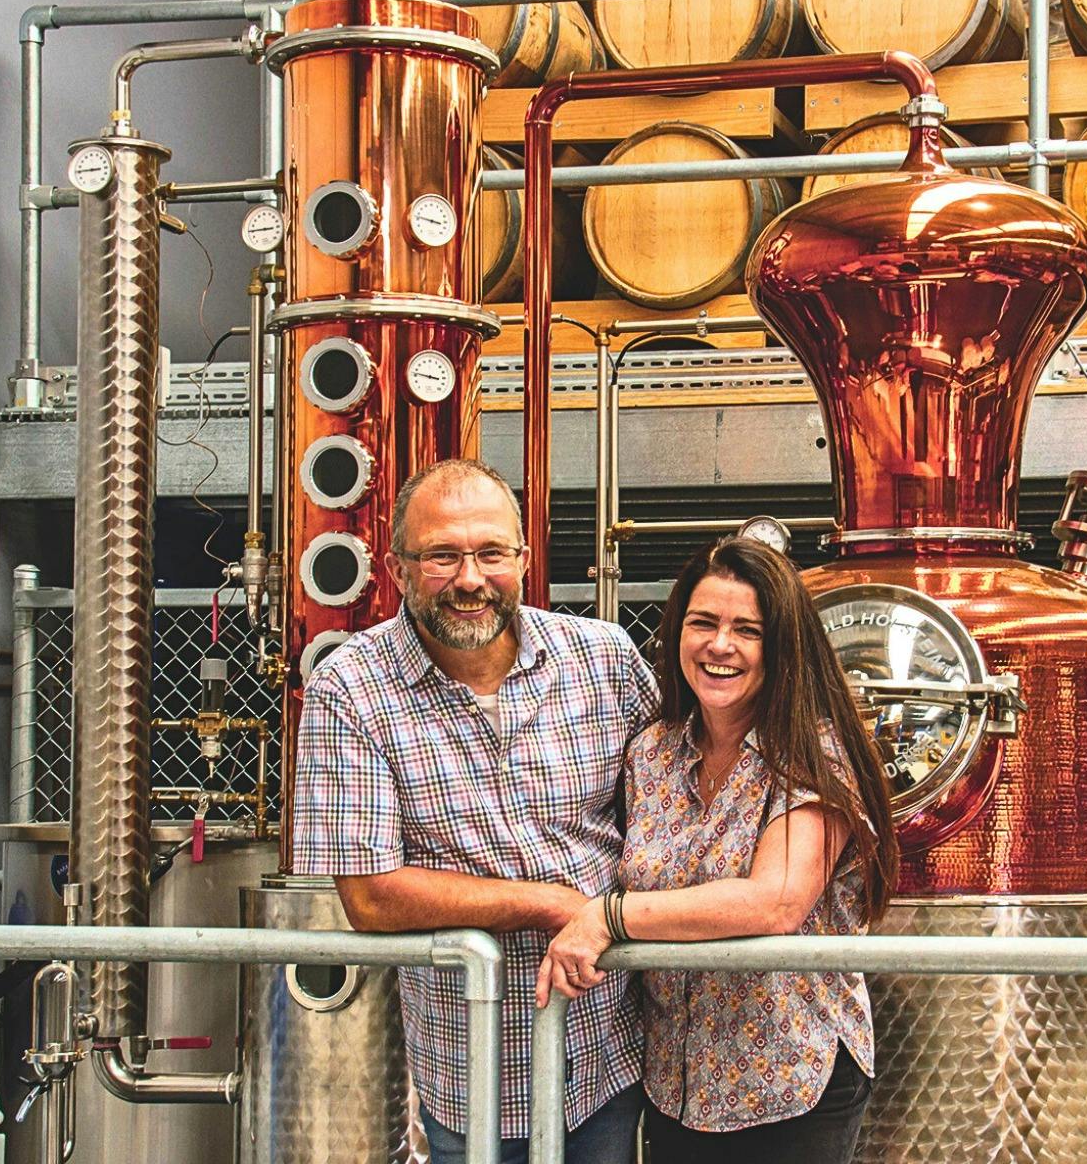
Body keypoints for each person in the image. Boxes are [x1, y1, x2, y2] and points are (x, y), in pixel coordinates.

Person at [291, 458, 658, 1164]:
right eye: (442, 556)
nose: (469, 579)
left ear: (523, 559)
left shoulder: (604, 660)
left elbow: (671, 811)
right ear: (398, 567)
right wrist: (552, 905)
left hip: (610, 1050)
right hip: (475, 1072)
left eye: (490, 552)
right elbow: (370, 896)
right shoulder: (351, 689)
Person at [537, 536, 899, 1164]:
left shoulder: (812, 750)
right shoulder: (652, 752)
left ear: (781, 647)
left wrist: (606, 916)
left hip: (788, 1082)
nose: (720, 645)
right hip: (676, 1084)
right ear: (677, 631)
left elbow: (775, 903)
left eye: (747, 630)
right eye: (703, 623)